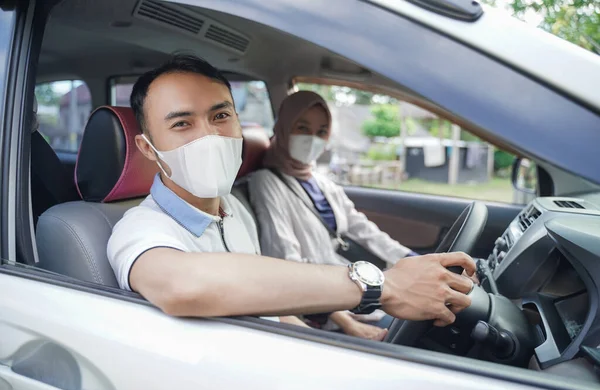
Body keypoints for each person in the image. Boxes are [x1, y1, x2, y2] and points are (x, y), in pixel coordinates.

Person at [107, 54, 477, 333]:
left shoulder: (233, 208)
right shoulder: (138, 228)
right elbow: (184, 285)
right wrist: (384, 285)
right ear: (147, 148)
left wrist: (327, 344)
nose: (210, 137)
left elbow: (274, 306)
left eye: (221, 116)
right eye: (182, 124)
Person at [248, 92, 419, 339]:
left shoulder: (319, 180)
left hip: (351, 292)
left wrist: (409, 258)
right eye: (302, 128)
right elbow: (286, 264)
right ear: (283, 128)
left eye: (321, 132)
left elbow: (362, 228)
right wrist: (347, 322)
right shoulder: (266, 183)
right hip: (320, 309)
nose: (312, 140)